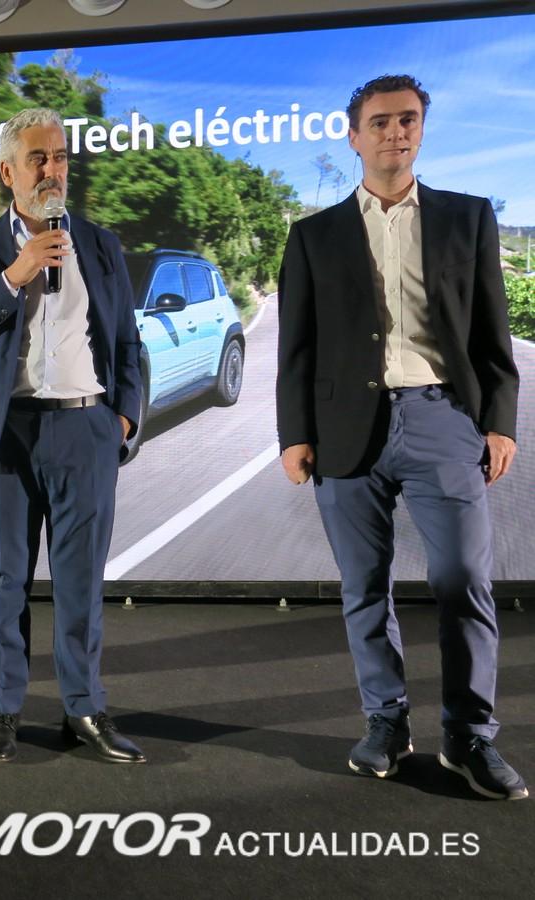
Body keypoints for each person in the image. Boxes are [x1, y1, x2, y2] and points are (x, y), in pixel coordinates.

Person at [277, 75, 525, 800]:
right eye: (381, 121)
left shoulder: (467, 217)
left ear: (422, 129)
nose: (396, 132)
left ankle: (469, 737)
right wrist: (294, 434)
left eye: (408, 120)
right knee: (364, 588)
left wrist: (499, 421)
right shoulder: (313, 235)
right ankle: (386, 723)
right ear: (354, 136)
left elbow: (493, 330)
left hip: (443, 418)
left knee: (463, 581)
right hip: (345, 431)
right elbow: (297, 345)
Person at [0, 108, 145, 764]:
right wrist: (14, 276)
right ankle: (4, 710)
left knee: (81, 582)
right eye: (38, 159)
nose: (53, 169)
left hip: (85, 428)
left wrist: (123, 418)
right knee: (6, 579)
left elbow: (127, 342)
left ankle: (85, 709)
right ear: (8, 173)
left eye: (60, 157)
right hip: (7, 432)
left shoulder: (101, 245)